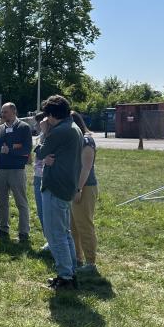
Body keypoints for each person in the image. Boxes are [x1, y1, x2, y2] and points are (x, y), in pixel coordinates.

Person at [37, 95, 83, 291]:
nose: (45, 120)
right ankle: (70, 270)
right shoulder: (73, 127)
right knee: (64, 232)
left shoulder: (59, 131)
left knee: (55, 234)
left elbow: (39, 152)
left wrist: (45, 132)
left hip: (56, 186)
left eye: (47, 116)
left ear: (52, 115)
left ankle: (65, 276)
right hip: (66, 185)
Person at [0, 102, 33, 241]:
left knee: (21, 202)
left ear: (13, 111)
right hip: (1, 170)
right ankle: (3, 229)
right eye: (2, 112)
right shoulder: (0, 128)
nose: (2, 114)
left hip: (16, 171)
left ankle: (24, 233)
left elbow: (26, 149)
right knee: (2, 202)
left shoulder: (24, 127)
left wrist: (10, 150)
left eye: (5, 112)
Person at [70, 111, 100, 273]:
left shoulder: (87, 141)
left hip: (84, 187)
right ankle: (77, 258)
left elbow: (86, 167)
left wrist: (78, 189)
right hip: (74, 187)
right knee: (72, 225)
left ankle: (91, 263)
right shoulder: (75, 139)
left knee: (84, 225)